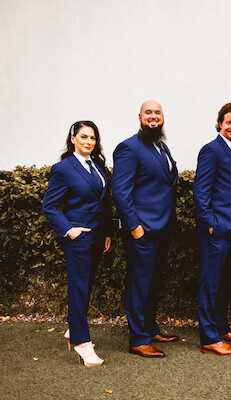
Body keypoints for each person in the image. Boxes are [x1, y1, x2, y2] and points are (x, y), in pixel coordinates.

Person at [43, 121, 113, 366]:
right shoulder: (63, 168)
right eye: (84, 137)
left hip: (97, 237)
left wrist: (106, 233)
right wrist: (69, 230)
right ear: (73, 138)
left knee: (87, 285)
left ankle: (74, 328)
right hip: (79, 238)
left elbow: (104, 203)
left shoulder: (97, 166)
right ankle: (83, 344)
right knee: (79, 288)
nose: (89, 142)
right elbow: (49, 206)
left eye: (93, 138)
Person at [112, 100, 179, 358]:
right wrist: (135, 227)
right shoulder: (129, 148)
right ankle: (138, 339)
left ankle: (150, 329)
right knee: (139, 285)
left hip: (161, 229)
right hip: (143, 231)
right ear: (140, 116)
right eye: (148, 113)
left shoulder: (160, 146)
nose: (153, 117)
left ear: (163, 117)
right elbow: (121, 191)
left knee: (152, 283)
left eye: (158, 113)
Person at [193, 103, 231, 356]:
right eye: (229, 123)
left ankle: (221, 327)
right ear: (220, 124)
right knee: (210, 284)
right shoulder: (211, 150)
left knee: (224, 283)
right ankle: (209, 338)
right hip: (217, 231)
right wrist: (210, 225)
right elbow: (201, 190)